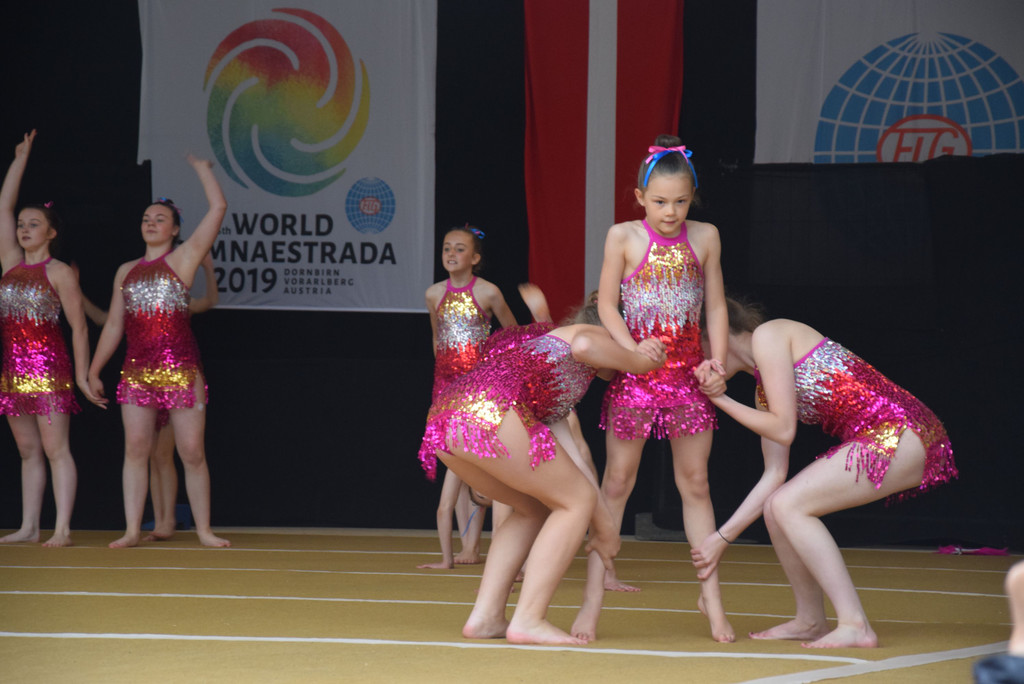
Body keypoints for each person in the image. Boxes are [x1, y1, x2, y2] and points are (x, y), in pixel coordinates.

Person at [691, 297, 957, 648]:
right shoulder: (762, 391)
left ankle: (855, 624)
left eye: (694, 349)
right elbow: (773, 474)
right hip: (885, 436)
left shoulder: (770, 335)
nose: (695, 362)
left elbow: (784, 429)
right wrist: (720, 538)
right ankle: (810, 619)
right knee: (776, 506)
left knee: (788, 505)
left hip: (901, 431)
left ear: (715, 333)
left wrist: (721, 400)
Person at [418, 298, 666, 645]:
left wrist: (605, 527)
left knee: (534, 508)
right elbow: (587, 344)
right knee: (576, 501)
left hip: (448, 417)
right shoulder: (587, 334)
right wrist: (645, 359)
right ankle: (529, 619)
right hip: (489, 410)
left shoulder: (557, 369)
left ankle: (486, 617)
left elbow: (575, 464)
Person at [596, 134, 732, 641]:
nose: (670, 213)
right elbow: (606, 303)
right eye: (659, 202)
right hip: (637, 375)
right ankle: (602, 573)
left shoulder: (707, 236)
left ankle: (711, 595)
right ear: (639, 197)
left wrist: (717, 362)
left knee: (695, 483)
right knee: (618, 481)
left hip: (688, 379)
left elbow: (714, 305)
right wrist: (632, 349)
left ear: (692, 198)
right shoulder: (622, 236)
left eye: (680, 202)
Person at [87, 154, 230, 549]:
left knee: (191, 451)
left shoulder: (184, 259)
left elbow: (218, 208)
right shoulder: (126, 270)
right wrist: (94, 370)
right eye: (146, 218)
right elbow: (114, 325)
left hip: (181, 369)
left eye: (160, 219)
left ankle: (204, 530)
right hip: (137, 372)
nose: (150, 223)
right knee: (136, 448)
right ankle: (133, 529)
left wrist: (202, 170)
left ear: (175, 229)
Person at [0, 130, 99, 547]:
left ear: (51, 233)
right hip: (13, 372)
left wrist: (82, 376)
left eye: (34, 224)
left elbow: (79, 327)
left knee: (56, 449)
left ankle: (62, 528)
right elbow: (3, 206)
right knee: (27, 450)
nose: (24, 229)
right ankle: (29, 526)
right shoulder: (10, 262)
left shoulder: (58, 272)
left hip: (49, 371)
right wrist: (20, 159)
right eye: (21, 225)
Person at [80, 253, 219, 541]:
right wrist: (77, 294)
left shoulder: (181, 290)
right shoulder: (128, 275)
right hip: (141, 375)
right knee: (145, 451)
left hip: (178, 375)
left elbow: (208, 302)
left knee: (175, 452)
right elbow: (109, 321)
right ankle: (151, 523)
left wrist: (207, 269)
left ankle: (180, 523)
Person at [418, 225, 516, 569]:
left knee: (480, 463)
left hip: (479, 391)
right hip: (446, 389)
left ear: (474, 258)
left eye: (459, 249)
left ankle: (494, 542)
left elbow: (512, 335)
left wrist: (493, 375)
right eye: (447, 247)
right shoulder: (433, 294)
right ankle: (468, 546)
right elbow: (437, 337)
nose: (451, 254)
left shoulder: (488, 292)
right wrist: (444, 383)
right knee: (455, 465)